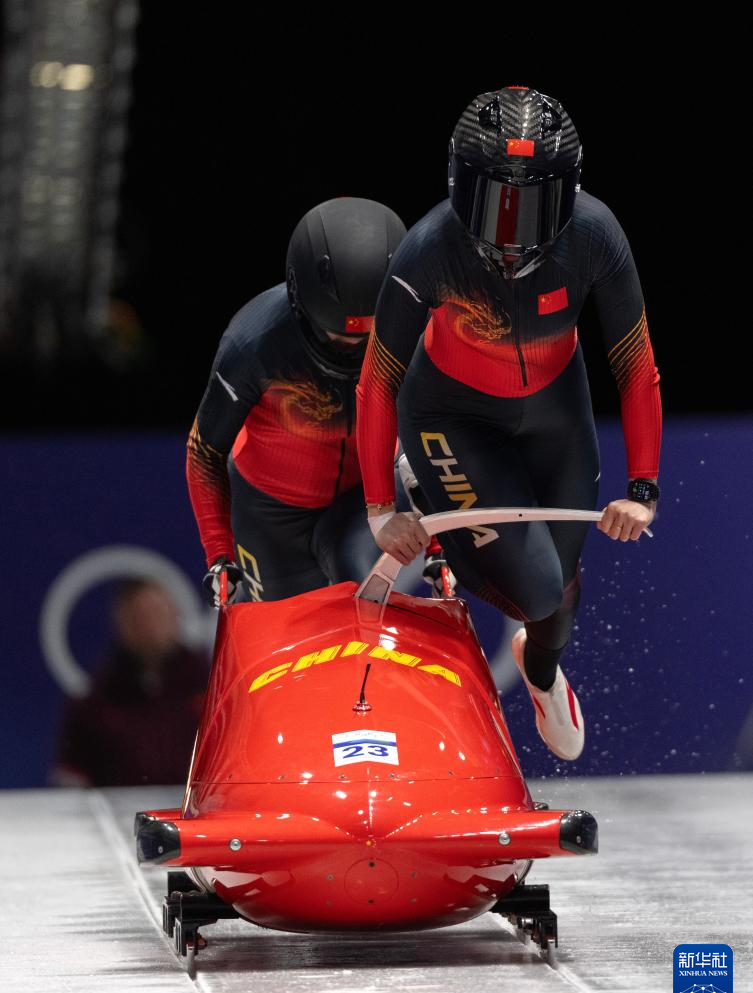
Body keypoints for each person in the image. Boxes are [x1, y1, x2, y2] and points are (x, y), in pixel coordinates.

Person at [356, 85, 662, 761]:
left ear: (569, 196)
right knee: (536, 587)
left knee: (556, 591)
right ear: (459, 188)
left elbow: (635, 365)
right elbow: (376, 382)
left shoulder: (595, 235)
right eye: (496, 204)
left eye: (534, 207)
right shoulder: (428, 249)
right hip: (451, 417)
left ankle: (542, 674)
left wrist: (643, 489)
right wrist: (380, 509)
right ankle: (430, 493)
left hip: (556, 411)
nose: (511, 233)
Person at [187, 197, 407, 605]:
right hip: (269, 519)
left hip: (363, 502)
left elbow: (438, 424)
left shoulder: (410, 326)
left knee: (364, 609)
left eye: (365, 338)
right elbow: (205, 451)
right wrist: (218, 553)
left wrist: (436, 544)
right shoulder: (252, 343)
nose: (351, 349)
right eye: (335, 337)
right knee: (283, 632)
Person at [54, 578, 209, 786]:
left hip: (200, 803)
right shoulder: (97, 700)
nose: (149, 626)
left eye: (156, 614)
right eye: (138, 617)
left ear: (174, 615)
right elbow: (72, 777)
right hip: (119, 805)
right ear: (121, 623)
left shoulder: (210, 686)